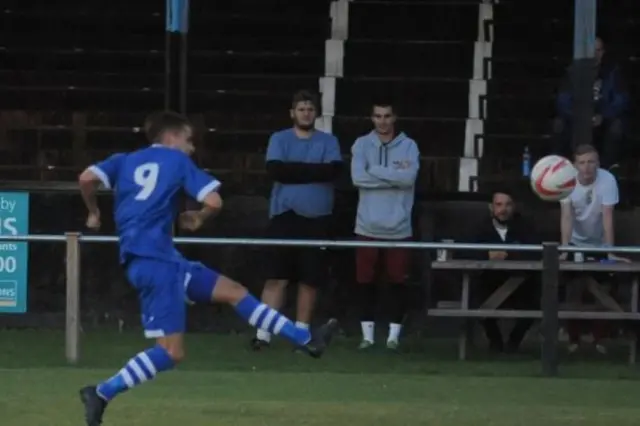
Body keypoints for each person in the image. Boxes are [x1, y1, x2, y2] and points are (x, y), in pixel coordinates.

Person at [76, 111, 337, 425]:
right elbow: (214, 201)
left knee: (234, 292)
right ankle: (102, 392)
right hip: (157, 263)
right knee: (171, 353)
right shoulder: (177, 161)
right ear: (171, 138)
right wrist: (198, 218)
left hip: (158, 260)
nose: (190, 148)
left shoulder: (124, 160)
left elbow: (86, 179)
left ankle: (306, 339)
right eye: (188, 140)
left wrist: (93, 213)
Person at [252, 90, 342, 350]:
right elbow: (276, 171)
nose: (306, 113)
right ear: (292, 113)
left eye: (310, 109)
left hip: (318, 218)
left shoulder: (328, 141)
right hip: (284, 216)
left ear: (317, 113)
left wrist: (295, 171)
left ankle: (301, 335)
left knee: (310, 278)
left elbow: (333, 171)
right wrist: (313, 171)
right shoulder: (279, 139)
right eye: (301, 109)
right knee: (275, 277)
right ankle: (263, 334)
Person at [350, 102, 419, 350]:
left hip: (399, 227)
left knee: (398, 283)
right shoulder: (361, 144)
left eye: (387, 116)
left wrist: (375, 171)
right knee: (365, 283)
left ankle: (393, 337)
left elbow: (408, 179)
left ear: (395, 117)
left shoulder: (409, 145)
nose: (382, 121)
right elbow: (358, 178)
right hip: (367, 226)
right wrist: (394, 177)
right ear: (371, 118)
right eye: (378, 116)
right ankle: (367, 337)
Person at [559, 144, 629, 354]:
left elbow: (608, 216)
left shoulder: (607, 180)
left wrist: (610, 252)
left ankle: (601, 338)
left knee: (605, 287)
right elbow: (566, 216)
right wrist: (564, 249)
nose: (587, 167)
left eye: (591, 162)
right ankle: (573, 338)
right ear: (575, 165)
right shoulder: (565, 180)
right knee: (573, 288)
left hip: (599, 244)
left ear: (598, 163)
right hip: (575, 243)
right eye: (582, 162)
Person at [467, 188, 541, 352]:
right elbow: (465, 251)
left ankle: (514, 342)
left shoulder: (526, 225)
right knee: (476, 300)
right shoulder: (479, 227)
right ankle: (495, 340)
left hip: (521, 284)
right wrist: (487, 254)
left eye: (508, 204)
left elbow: (537, 252)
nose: (503, 209)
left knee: (536, 303)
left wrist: (508, 254)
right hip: (489, 282)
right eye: (499, 204)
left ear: (514, 207)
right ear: (491, 207)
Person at [553, 37, 629, 169]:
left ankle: (608, 167)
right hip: (577, 119)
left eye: (598, 50)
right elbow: (563, 101)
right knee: (558, 124)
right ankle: (561, 166)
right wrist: (581, 116)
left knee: (617, 126)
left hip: (603, 120)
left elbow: (620, 99)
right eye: (592, 51)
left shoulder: (612, 72)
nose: (595, 55)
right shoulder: (573, 71)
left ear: (603, 52)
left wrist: (603, 116)